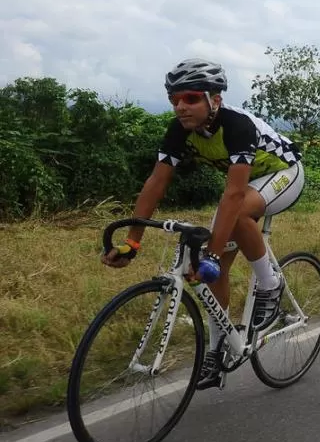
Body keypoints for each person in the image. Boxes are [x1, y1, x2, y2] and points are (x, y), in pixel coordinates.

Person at [101, 58, 306, 390]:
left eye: (192, 98)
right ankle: (217, 351)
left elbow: (235, 194)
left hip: (284, 173)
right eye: (175, 100)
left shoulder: (236, 125)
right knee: (215, 271)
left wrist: (211, 251)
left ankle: (271, 286)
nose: (181, 107)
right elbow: (156, 183)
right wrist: (133, 241)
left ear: (215, 99)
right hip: (245, 188)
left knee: (231, 224)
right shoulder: (179, 131)